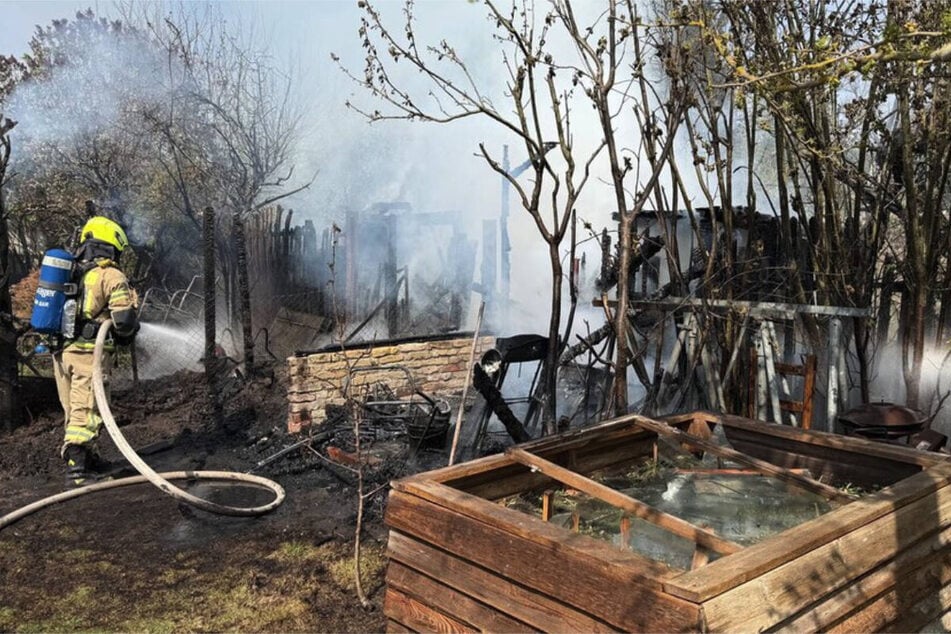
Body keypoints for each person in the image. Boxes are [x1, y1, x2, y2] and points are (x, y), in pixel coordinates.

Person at [52, 216, 138, 487]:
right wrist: (129, 331)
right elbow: (123, 320)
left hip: (64, 352)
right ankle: (77, 471)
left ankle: (90, 458)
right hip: (90, 352)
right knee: (87, 408)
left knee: (74, 406)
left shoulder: (74, 271)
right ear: (112, 244)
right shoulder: (109, 274)